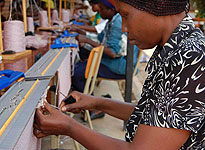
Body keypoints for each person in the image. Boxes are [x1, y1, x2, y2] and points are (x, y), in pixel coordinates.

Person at [34, 0, 205, 149]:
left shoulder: (190, 58)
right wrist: (96, 102)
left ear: (157, 5)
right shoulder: (177, 48)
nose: (123, 28)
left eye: (126, 15)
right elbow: (151, 115)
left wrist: (69, 127)